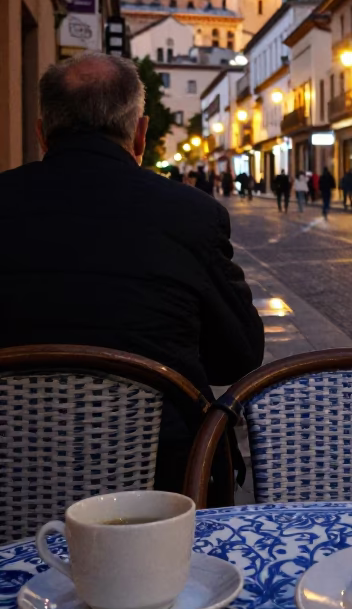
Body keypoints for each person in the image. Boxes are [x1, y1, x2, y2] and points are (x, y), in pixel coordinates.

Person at [0, 53, 264, 491]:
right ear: (141, 134)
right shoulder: (192, 215)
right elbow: (238, 356)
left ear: (42, 134)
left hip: (13, 480)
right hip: (167, 488)